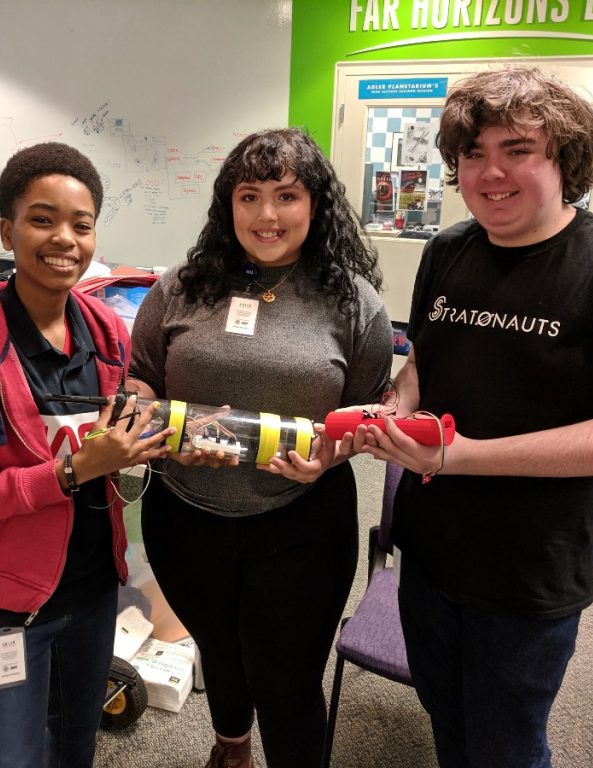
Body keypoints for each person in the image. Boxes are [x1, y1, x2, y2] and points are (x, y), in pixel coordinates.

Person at [350, 67, 593, 767]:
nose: (490, 173)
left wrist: (460, 456)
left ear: (565, 159)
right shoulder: (448, 250)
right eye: (473, 154)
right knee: (447, 716)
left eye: (517, 150)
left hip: (529, 571)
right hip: (432, 548)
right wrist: (396, 407)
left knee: (506, 742)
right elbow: (425, 362)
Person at [127, 127, 393, 768]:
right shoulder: (181, 288)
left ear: (315, 205)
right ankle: (231, 747)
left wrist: (332, 452)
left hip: (301, 521)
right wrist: (153, 426)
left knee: (285, 683)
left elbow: (364, 412)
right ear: (228, 205)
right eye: (249, 196)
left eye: (286, 196)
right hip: (185, 516)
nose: (267, 216)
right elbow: (141, 378)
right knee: (219, 650)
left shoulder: (353, 303)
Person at [0, 142, 173, 768]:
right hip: (7, 603)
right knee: (11, 759)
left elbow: (119, 432)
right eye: (42, 219)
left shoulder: (107, 330)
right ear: (7, 229)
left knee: (75, 744)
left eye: (81, 225)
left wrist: (164, 437)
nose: (65, 239)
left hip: (91, 588)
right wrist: (73, 469)